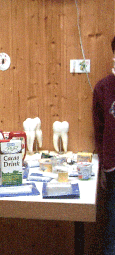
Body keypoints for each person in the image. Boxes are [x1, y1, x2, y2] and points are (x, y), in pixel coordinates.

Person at [93, 36, 115, 254]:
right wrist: (103, 170)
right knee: (112, 230)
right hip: (113, 168)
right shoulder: (102, 89)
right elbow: (100, 133)